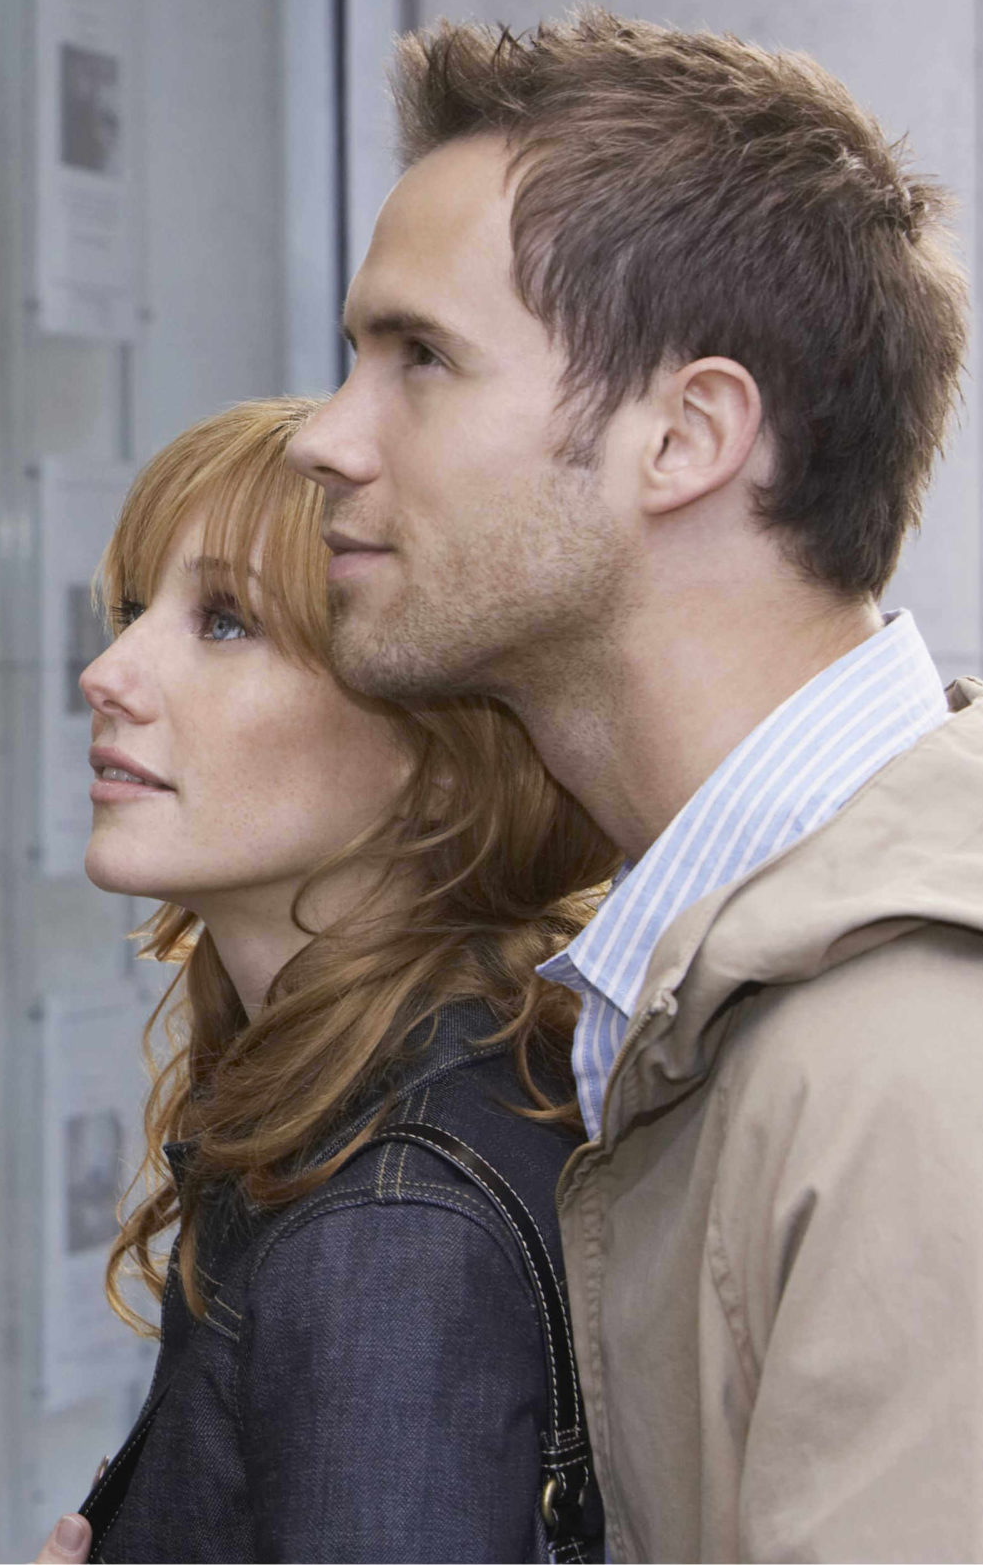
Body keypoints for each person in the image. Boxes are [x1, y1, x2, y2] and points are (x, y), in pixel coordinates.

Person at [281, 11, 983, 1558]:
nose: (327, 437)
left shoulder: (909, 1055)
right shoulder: (733, 972)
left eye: (420, 357)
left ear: (685, 435)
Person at [40, 396, 615, 1562]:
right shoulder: (400, 1087)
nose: (106, 671)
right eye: (131, 610)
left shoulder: (389, 1232)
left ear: (442, 760)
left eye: (225, 624)